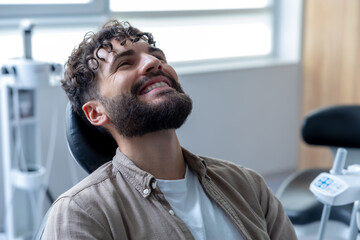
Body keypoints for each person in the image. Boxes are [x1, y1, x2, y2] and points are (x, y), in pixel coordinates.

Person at [42, 19, 297, 240]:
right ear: (96, 112)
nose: (154, 62)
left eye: (158, 56)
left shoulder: (248, 185)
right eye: (125, 64)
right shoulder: (81, 211)